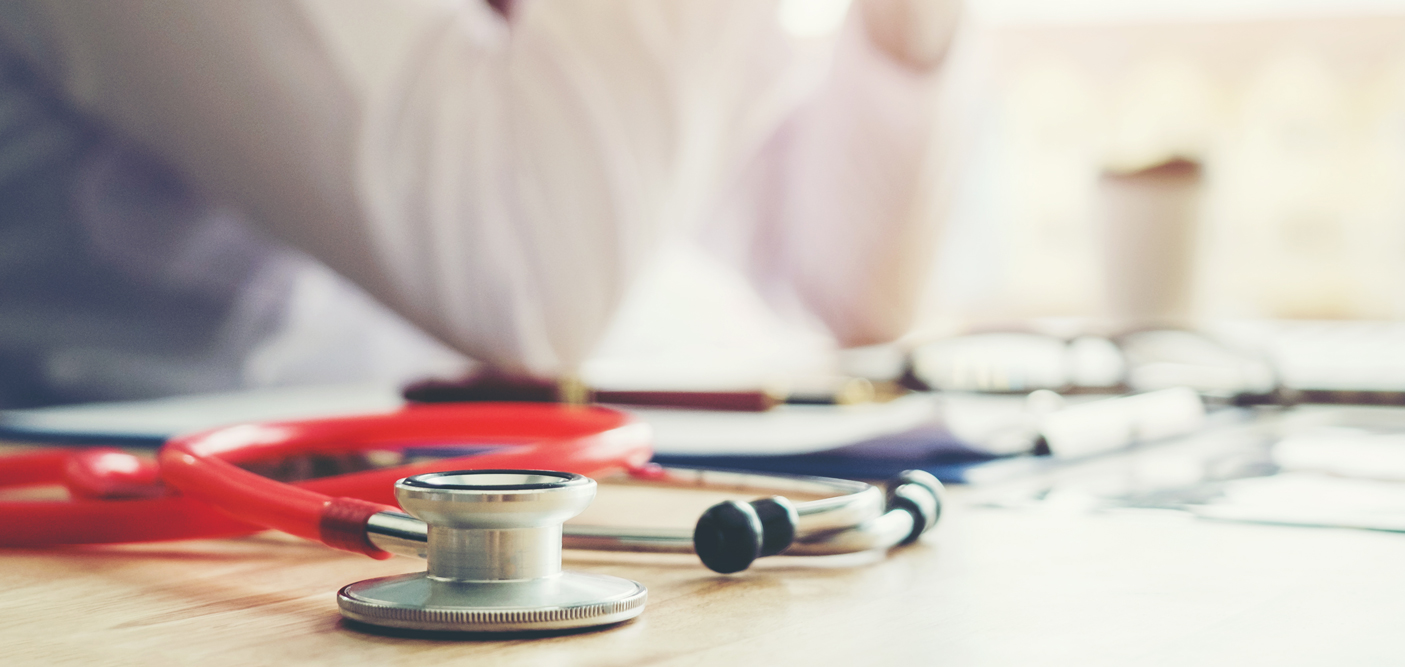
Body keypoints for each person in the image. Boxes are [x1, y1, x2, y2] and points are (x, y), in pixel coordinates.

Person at [0, 0, 963, 407]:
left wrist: (904, 30)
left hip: (433, 520)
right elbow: (527, 279)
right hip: (141, 564)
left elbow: (836, 291)